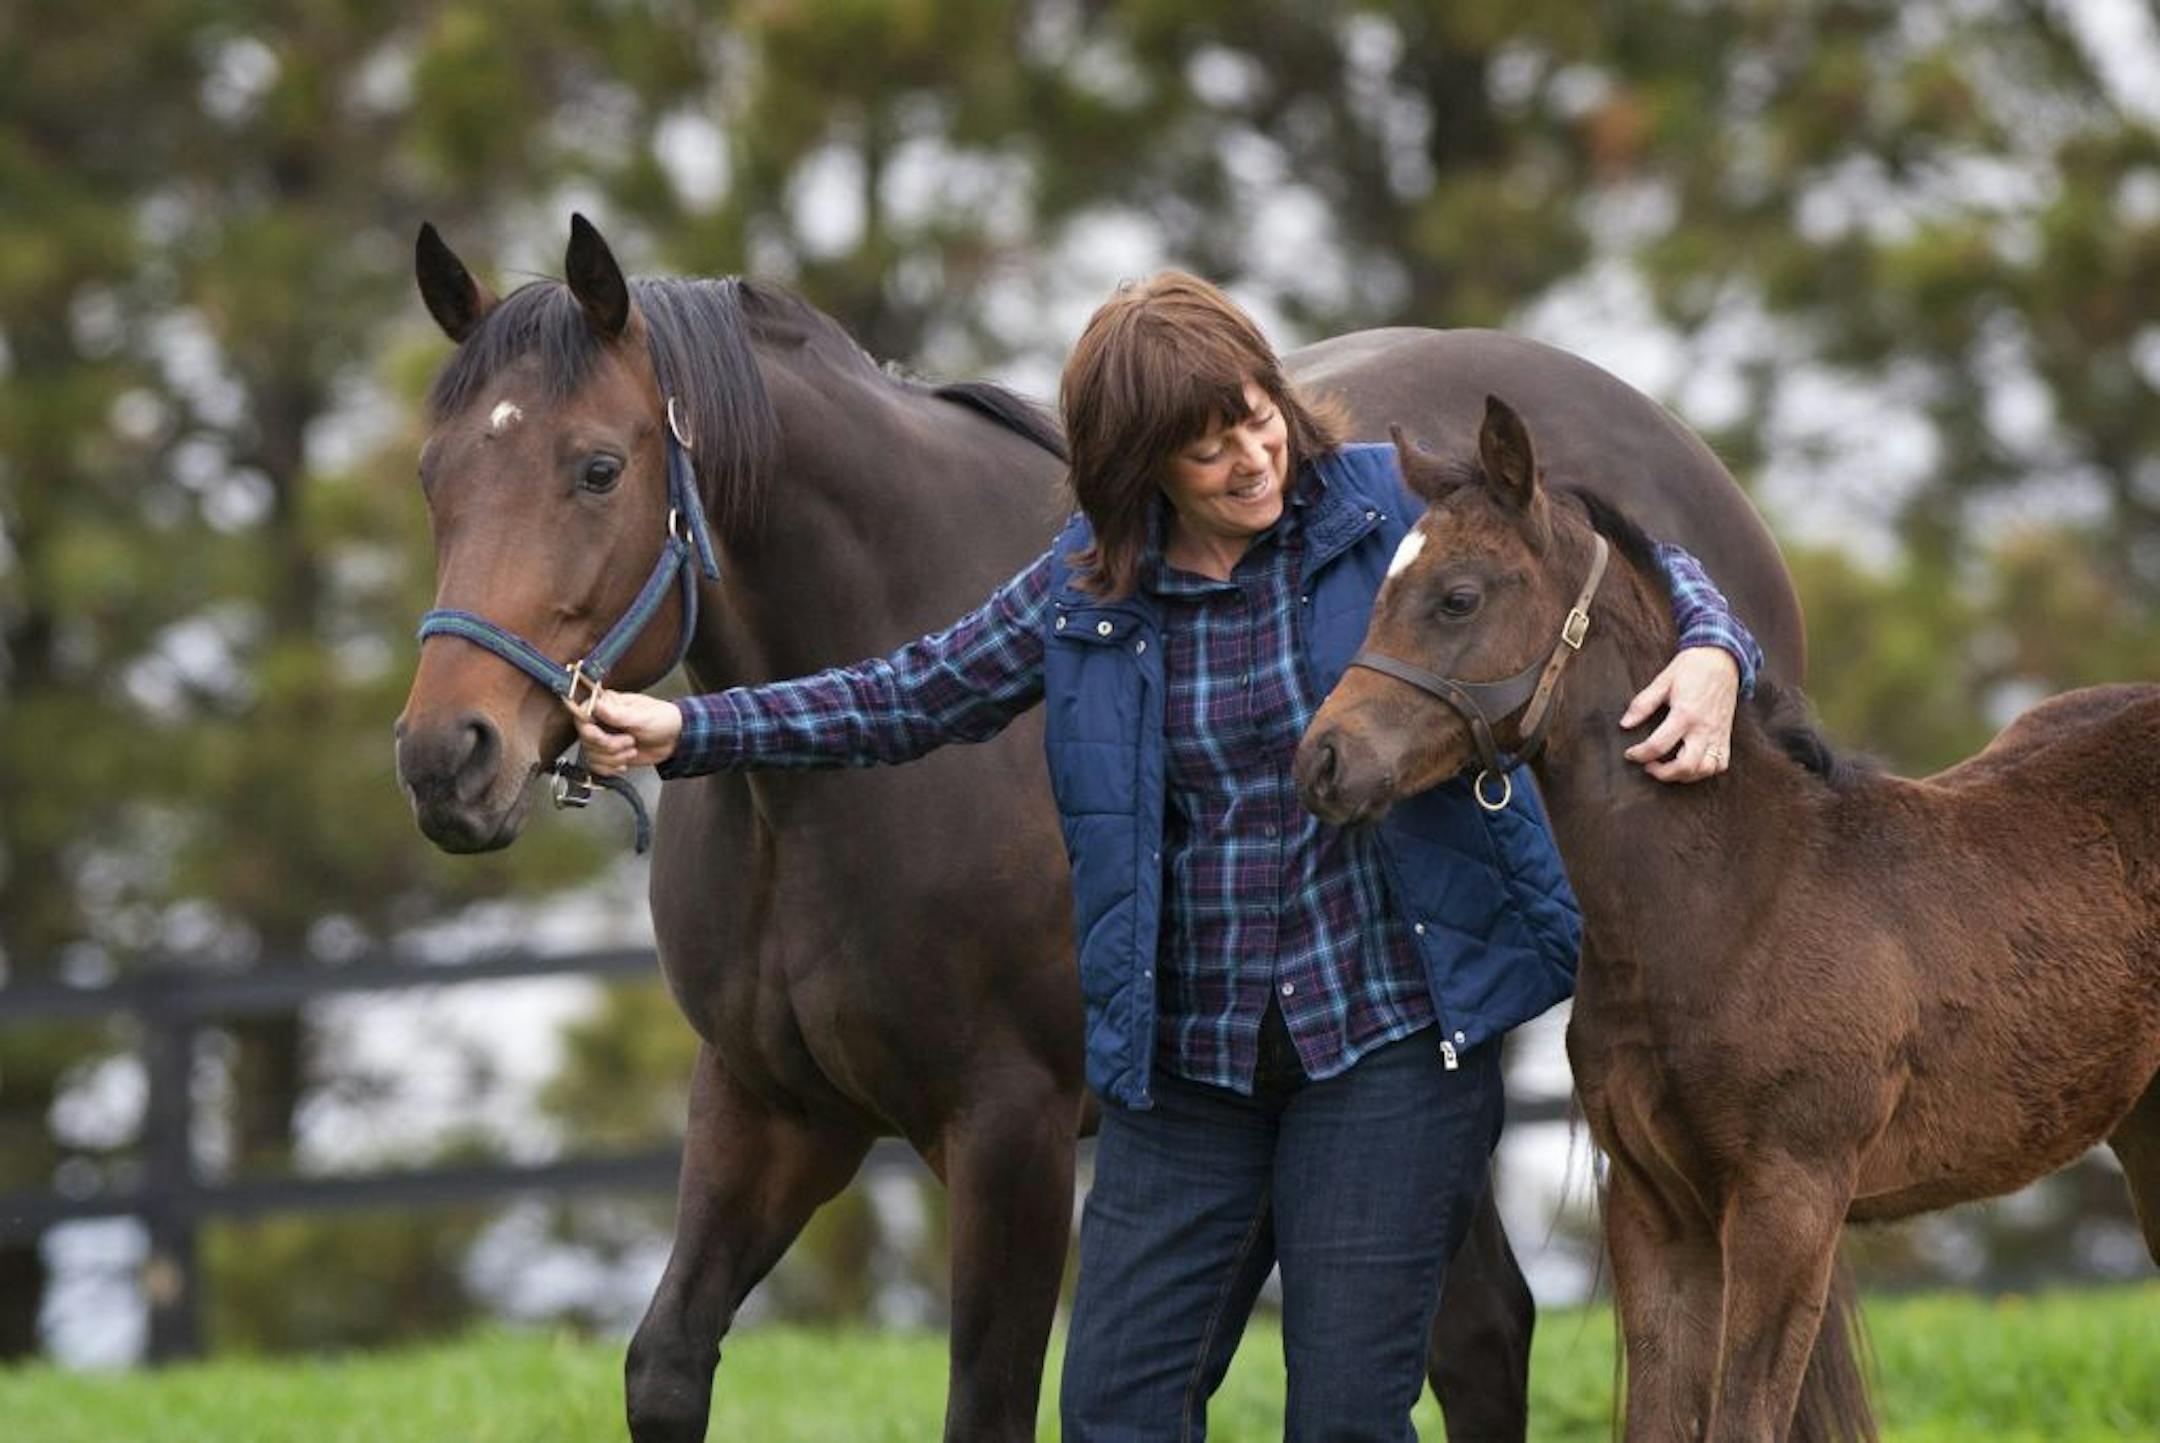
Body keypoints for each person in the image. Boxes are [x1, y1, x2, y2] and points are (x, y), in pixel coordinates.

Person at [571, 273, 1760, 1441]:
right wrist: (695, 728)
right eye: (1206, 448)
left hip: (1387, 1044)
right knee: (1114, 1414)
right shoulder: (1091, 587)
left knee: (1345, 1417)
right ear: (1137, 469)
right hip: (1193, 1069)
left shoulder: (1383, 514)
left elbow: (1608, 554)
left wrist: (1713, 649)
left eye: (1255, 414)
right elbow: (908, 695)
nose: (1251, 457)